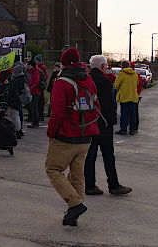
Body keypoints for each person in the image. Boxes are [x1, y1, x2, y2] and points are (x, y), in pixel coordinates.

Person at [45, 47, 100, 226]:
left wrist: (50, 133)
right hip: (87, 134)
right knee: (77, 175)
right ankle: (73, 214)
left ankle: (75, 204)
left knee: (53, 169)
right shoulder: (88, 79)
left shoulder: (62, 82)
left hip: (67, 135)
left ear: (64, 63)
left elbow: (57, 113)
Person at [84, 55, 132, 196]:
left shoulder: (86, 79)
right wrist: (112, 121)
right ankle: (113, 184)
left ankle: (89, 185)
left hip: (89, 123)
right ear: (103, 66)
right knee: (108, 156)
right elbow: (109, 104)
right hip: (103, 123)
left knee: (90, 156)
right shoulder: (104, 81)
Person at [114, 61, 139, 135]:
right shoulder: (135, 74)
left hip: (124, 96)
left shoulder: (121, 74)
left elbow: (116, 85)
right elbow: (137, 84)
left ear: (122, 66)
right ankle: (132, 129)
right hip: (133, 96)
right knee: (132, 114)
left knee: (124, 114)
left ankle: (124, 129)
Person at [6, 62, 25, 138]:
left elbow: (13, 89)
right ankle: (17, 129)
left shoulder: (18, 80)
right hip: (17, 99)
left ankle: (18, 131)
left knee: (15, 116)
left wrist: (8, 85)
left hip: (15, 99)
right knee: (15, 115)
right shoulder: (19, 78)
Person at [26, 60, 42, 128]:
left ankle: (35, 122)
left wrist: (30, 88)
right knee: (33, 107)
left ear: (31, 65)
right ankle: (34, 121)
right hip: (33, 91)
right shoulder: (33, 72)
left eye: (28, 65)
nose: (27, 67)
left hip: (35, 92)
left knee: (34, 107)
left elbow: (36, 82)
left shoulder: (35, 72)